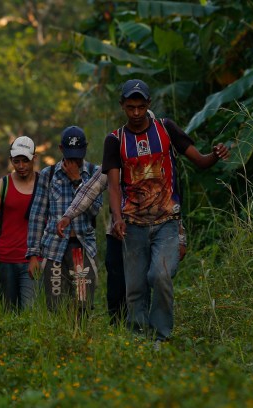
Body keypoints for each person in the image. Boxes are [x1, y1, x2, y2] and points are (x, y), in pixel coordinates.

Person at [102, 79, 230, 344]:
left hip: (167, 222)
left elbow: (201, 160)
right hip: (133, 224)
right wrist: (116, 219)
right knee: (134, 289)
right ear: (122, 106)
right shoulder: (115, 140)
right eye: (130, 107)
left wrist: (215, 155)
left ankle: (162, 337)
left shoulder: (166, 129)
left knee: (159, 275)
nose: (136, 113)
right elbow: (114, 187)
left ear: (149, 104)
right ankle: (139, 340)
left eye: (140, 107)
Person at [55, 164, 188, 326]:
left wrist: (181, 235)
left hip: (154, 232)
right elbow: (90, 190)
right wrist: (68, 215)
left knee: (153, 279)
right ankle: (121, 332)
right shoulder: (116, 155)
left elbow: (171, 201)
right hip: (119, 235)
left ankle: (154, 330)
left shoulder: (156, 156)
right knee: (119, 289)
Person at [26, 126, 102, 312]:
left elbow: (94, 211)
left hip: (82, 248)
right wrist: (33, 255)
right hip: (54, 248)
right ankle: (60, 340)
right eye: (70, 155)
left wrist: (77, 180)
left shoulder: (94, 172)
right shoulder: (48, 175)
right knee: (55, 306)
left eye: (78, 155)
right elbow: (37, 215)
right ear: (61, 149)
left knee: (83, 304)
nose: (74, 160)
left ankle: (82, 339)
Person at [0, 136, 38, 311]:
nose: (21, 166)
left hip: (32, 260)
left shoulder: (44, 184)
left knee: (30, 311)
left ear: (33, 158)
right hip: (5, 260)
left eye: (25, 161)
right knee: (8, 312)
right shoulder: (2, 185)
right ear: (11, 160)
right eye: (16, 161)